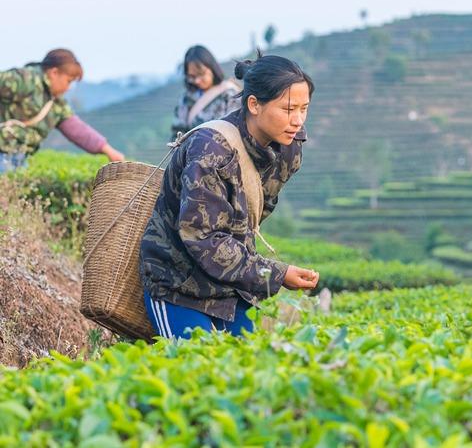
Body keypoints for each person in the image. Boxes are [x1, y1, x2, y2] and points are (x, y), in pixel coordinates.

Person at [140, 54, 319, 339]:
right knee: (192, 369)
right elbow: (203, 238)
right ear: (254, 105)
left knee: (243, 369)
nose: (297, 120)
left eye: (304, 109)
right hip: (178, 282)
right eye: (288, 109)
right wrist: (277, 274)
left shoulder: (289, 146)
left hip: (231, 285)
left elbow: (255, 213)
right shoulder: (210, 151)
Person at [0, 49, 124, 172]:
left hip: (17, 159)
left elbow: (78, 130)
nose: (69, 88)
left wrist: (108, 150)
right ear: (54, 73)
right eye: (68, 81)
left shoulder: (56, 104)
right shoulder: (23, 80)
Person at [170, 45, 241, 138]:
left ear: (212, 68)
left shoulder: (229, 94)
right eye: (192, 76)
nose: (197, 81)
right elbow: (177, 133)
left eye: (201, 74)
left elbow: (235, 131)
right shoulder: (187, 98)